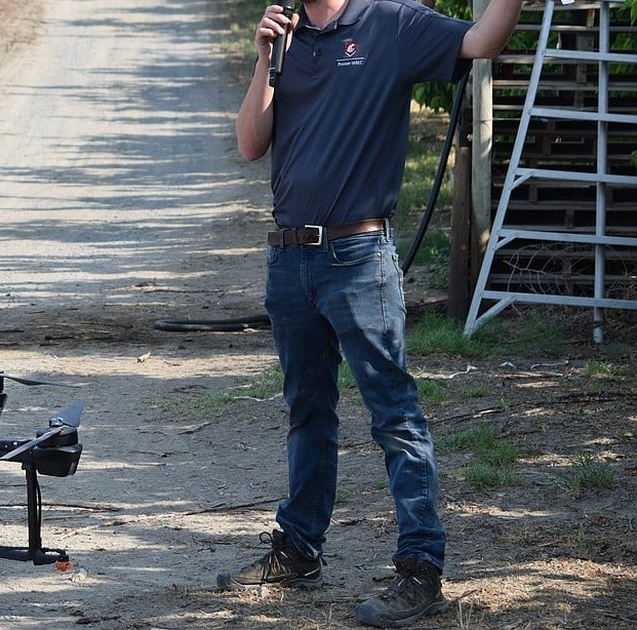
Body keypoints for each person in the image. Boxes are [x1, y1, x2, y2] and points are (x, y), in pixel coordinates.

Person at [216, 0, 522, 627]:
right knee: (307, 410)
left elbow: (484, 40)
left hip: (358, 258)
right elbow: (250, 144)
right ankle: (299, 551)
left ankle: (421, 569)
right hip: (288, 257)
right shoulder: (287, 35)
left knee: (394, 414)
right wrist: (263, 60)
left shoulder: (394, 23)